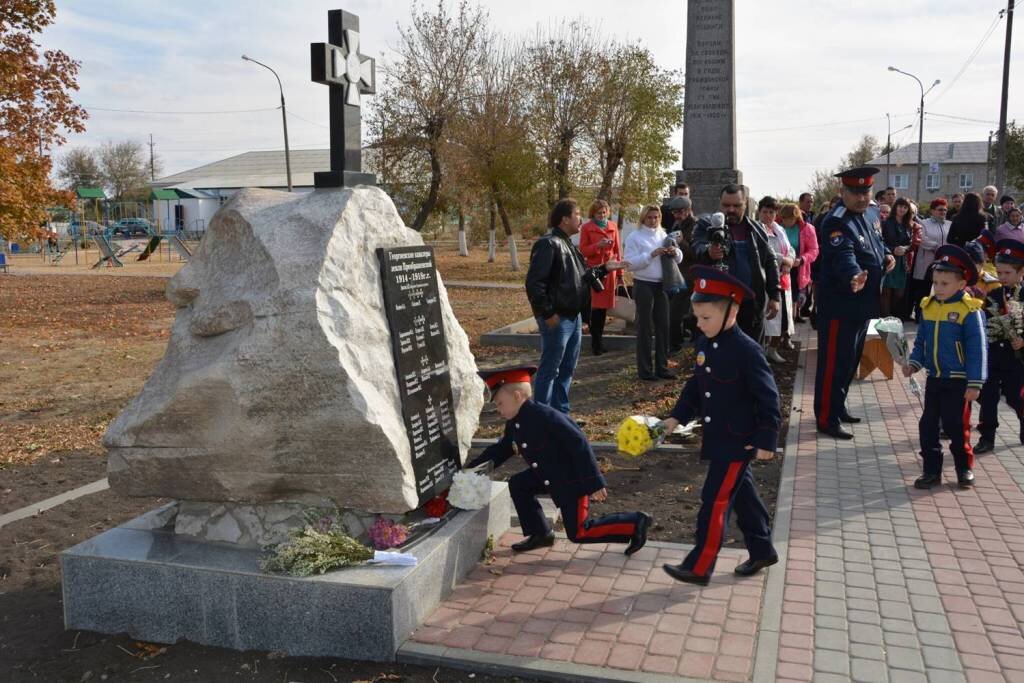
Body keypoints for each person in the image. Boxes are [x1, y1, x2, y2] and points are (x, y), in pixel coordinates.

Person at [659, 267, 781, 586]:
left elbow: (769, 398)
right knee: (742, 495)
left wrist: (767, 439)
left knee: (715, 498)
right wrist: (675, 417)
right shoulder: (705, 343)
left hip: (738, 440)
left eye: (706, 318)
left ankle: (699, 566)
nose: (699, 325)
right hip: (718, 437)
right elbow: (696, 388)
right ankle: (762, 548)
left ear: (732, 311)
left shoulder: (747, 351)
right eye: (697, 317)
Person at [467, 366, 651, 553]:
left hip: (572, 480)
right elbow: (502, 449)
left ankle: (635, 523)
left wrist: (593, 482)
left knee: (579, 532)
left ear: (517, 396)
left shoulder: (546, 417)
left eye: (499, 403)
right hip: (549, 474)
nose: (498, 410)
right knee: (519, 484)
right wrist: (470, 469)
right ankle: (541, 533)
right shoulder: (515, 422)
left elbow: (579, 444)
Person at [814, 166, 895, 439]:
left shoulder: (872, 212)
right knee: (834, 363)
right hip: (840, 303)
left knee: (850, 360)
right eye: (855, 192)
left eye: (866, 191)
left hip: (865, 303)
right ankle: (826, 417)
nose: (861, 198)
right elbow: (843, 256)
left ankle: (839, 406)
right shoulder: (835, 221)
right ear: (842, 192)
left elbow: (876, 242)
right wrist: (853, 275)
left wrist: (886, 255)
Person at [526, 198, 625, 413]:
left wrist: (606, 268)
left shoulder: (568, 243)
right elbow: (535, 284)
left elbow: (582, 276)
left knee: (567, 369)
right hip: (558, 318)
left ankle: (560, 415)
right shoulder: (548, 243)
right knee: (550, 369)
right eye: (577, 214)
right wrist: (548, 313)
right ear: (564, 219)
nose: (581, 218)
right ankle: (542, 417)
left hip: (574, 316)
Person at [905, 245, 986, 489]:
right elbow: (921, 341)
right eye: (936, 282)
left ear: (961, 285)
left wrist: (975, 382)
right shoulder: (928, 307)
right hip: (935, 378)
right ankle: (932, 470)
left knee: (955, 426)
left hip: (959, 381)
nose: (938, 288)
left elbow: (977, 349)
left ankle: (963, 467)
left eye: (944, 283)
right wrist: (914, 362)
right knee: (928, 425)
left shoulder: (969, 311)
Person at [691, 184, 781, 344]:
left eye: (736, 205)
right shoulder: (706, 225)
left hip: (750, 306)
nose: (731, 209)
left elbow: (770, 261)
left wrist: (774, 295)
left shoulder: (758, 229)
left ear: (745, 204)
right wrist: (708, 252)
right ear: (720, 203)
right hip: (717, 307)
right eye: (726, 205)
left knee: (751, 358)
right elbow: (696, 246)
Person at [975, 239, 1024, 454]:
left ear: (1021, 272)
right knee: (988, 396)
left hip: (1017, 357)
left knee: (1015, 396)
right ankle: (987, 436)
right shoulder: (994, 294)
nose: (1002, 278)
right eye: (1000, 272)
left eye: (1008, 273)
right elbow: (985, 320)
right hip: (994, 354)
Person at [624, 205, 683, 380]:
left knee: (663, 326)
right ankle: (645, 370)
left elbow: (679, 258)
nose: (653, 220)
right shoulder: (635, 237)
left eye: (656, 217)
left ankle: (662, 367)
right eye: (650, 217)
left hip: (662, 284)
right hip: (643, 284)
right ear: (643, 218)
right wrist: (650, 255)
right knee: (644, 327)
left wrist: (676, 252)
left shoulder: (663, 234)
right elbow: (629, 263)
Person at [579, 199, 622, 356]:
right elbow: (583, 250)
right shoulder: (586, 228)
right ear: (593, 213)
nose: (602, 215)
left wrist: (621, 273)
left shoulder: (613, 226)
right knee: (595, 309)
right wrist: (598, 246)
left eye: (604, 212)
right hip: (594, 272)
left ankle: (599, 341)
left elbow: (617, 249)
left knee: (603, 310)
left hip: (610, 272)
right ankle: (596, 343)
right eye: (599, 213)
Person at [759, 197, 793, 363]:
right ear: (759, 212)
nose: (768, 215)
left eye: (771, 212)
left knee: (783, 318)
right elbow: (765, 252)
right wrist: (783, 260)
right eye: (765, 211)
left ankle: (772, 349)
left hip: (784, 278)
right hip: (766, 279)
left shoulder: (779, 229)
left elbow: (790, 248)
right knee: (767, 318)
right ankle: (762, 350)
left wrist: (791, 260)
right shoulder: (757, 230)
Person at [779, 203, 819, 326]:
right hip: (780, 266)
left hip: (797, 269)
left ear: (796, 217)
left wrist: (801, 259)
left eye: (789, 219)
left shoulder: (807, 229)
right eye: (783, 218)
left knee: (794, 299)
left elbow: (814, 250)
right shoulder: (777, 227)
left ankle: (790, 326)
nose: (785, 222)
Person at [909, 199, 952, 312]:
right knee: (924, 289)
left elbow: (952, 240)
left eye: (945, 210)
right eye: (940, 209)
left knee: (940, 287)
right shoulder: (924, 223)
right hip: (926, 260)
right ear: (932, 211)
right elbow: (922, 240)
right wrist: (937, 246)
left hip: (944, 261)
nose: (943, 212)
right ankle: (920, 315)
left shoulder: (949, 224)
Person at [667, 196, 698, 350]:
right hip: (677, 275)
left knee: (676, 314)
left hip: (690, 277)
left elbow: (696, 253)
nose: (676, 215)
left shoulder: (696, 226)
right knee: (677, 314)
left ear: (688, 210)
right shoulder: (676, 225)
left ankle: (675, 346)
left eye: (679, 212)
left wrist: (681, 242)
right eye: (674, 213)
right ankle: (677, 344)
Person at [880, 198, 915, 318]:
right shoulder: (885, 223)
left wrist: (905, 249)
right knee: (886, 292)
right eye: (900, 206)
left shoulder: (908, 224)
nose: (902, 209)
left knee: (899, 293)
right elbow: (880, 241)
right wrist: (892, 249)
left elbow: (911, 243)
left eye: (905, 207)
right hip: (888, 259)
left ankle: (891, 315)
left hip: (902, 262)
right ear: (895, 207)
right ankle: (885, 319)